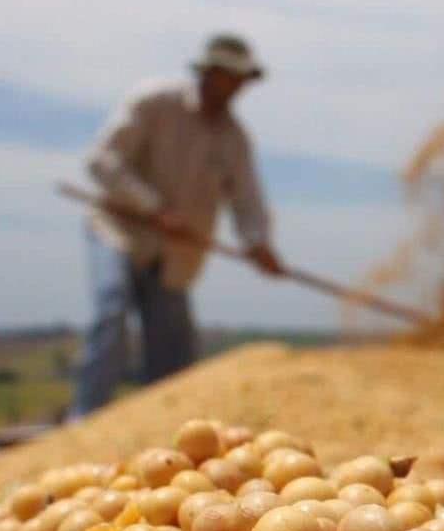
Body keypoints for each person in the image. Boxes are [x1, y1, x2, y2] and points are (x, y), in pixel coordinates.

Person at [70, 33, 284, 418]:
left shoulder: (234, 139)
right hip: (119, 230)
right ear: (209, 72)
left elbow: (248, 201)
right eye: (227, 77)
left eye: (240, 80)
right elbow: (102, 161)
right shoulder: (154, 102)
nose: (234, 87)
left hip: (176, 253)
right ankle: (84, 420)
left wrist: (258, 243)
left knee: (173, 348)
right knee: (112, 310)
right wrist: (153, 208)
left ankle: (162, 432)